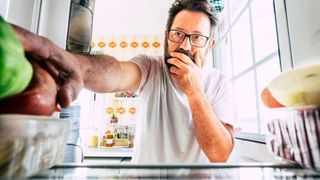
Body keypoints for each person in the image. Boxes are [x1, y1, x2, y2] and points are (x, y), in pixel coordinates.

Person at [13, 0, 235, 163]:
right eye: (178, 34)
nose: (186, 46)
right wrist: (71, 63)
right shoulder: (151, 67)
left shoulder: (220, 83)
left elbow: (220, 154)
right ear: (167, 36)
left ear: (210, 44)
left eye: (197, 38)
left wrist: (194, 90)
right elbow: (116, 73)